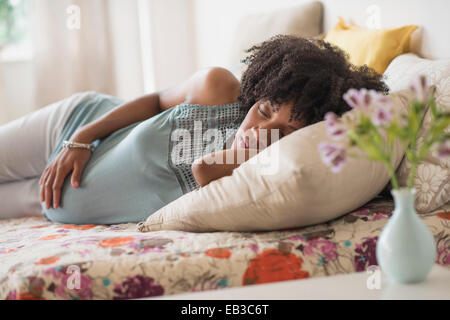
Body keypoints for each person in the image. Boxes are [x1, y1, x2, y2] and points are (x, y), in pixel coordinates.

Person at [0, 35, 388, 224]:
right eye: (265, 109)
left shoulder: (264, 174)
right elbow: (154, 101)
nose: (260, 128)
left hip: (47, 201)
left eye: (285, 131)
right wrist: (80, 138)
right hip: (70, 128)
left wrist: (254, 153)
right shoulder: (219, 90)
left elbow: (203, 170)